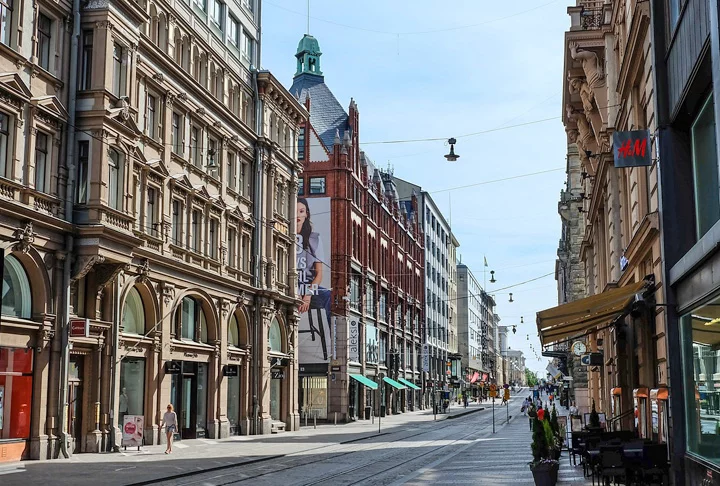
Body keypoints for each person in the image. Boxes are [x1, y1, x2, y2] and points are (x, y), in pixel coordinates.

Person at [296, 198, 332, 360]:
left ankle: (332, 349)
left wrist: (308, 295)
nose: (297, 214)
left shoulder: (314, 239)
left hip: (309, 287)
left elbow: (319, 274)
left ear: (306, 214)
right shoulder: (279, 231)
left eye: (301, 211)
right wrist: (294, 292)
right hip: (285, 285)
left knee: (329, 296)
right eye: (295, 211)